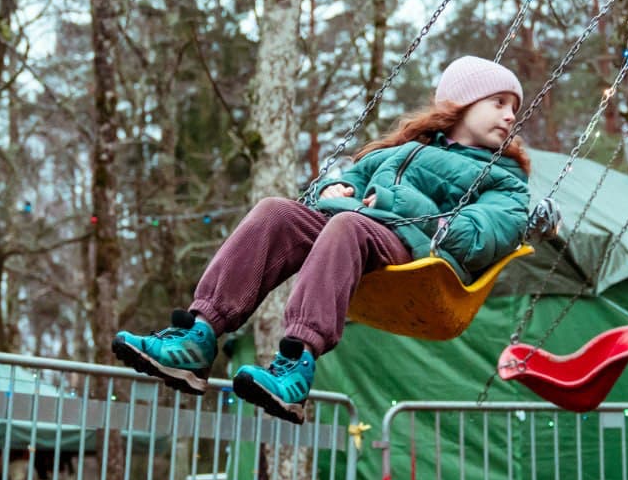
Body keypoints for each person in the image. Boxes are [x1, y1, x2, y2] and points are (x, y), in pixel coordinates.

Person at [113, 55, 532, 424]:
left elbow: (477, 238)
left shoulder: (507, 183)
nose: (511, 116)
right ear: (459, 105)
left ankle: (296, 363)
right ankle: (199, 336)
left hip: (420, 260)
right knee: (276, 211)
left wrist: (389, 201)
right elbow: (349, 183)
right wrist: (336, 191)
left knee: (347, 226)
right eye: (498, 103)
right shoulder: (396, 152)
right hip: (356, 230)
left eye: (514, 107)